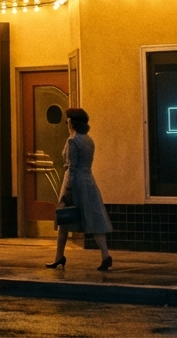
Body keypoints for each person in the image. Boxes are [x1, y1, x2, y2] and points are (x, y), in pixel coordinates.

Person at [46, 108, 113, 272]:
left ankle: (59, 256)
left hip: (74, 183)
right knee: (95, 218)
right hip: (89, 182)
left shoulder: (72, 141)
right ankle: (105, 255)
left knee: (64, 219)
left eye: (67, 120)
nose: (66, 123)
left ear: (71, 122)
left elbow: (72, 166)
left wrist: (67, 190)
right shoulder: (89, 140)